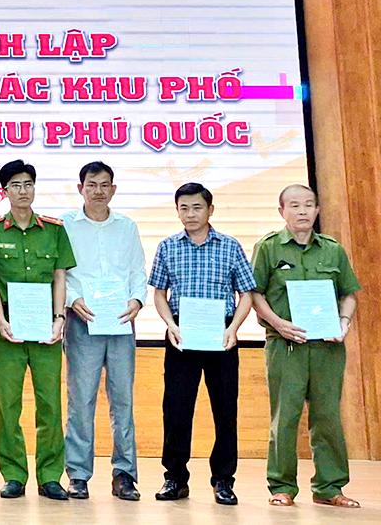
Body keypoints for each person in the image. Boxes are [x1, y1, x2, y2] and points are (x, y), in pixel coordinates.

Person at [251, 185, 361, 508]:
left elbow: (349, 294)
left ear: (317, 210)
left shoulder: (332, 249)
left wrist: (344, 323)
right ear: (282, 211)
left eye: (309, 205)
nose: (302, 211)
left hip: (327, 347)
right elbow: (254, 294)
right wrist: (278, 323)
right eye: (295, 205)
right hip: (285, 345)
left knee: (327, 417)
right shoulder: (268, 248)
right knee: (285, 417)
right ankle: (282, 486)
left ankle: (330, 487)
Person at [150, 182, 255, 506]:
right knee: (176, 409)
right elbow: (159, 293)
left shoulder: (230, 246)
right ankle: (175, 478)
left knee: (225, 410)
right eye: (184, 208)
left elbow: (246, 294)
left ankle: (223, 480)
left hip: (222, 335)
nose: (190, 214)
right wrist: (170, 325)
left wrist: (234, 329)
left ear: (210, 209)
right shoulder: (168, 246)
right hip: (181, 334)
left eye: (197, 207)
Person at [0, 160, 76, 501]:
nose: (23, 191)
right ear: (4, 191)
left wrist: (59, 318)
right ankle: (13, 475)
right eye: (16, 185)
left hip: (47, 330)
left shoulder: (54, 229)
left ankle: (50, 476)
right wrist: (0, 317)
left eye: (28, 184)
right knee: (8, 405)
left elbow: (60, 276)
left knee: (50, 405)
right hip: (8, 331)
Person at [61, 162, 145, 501]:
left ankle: (124, 474)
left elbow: (137, 270)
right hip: (82, 321)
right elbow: (60, 272)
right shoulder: (65, 225)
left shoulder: (127, 226)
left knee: (122, 400)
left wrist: (137, 299)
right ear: (80, 188)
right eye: (92, 184)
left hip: (121, 322)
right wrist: (72, 299)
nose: (98, 191)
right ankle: (78, 474)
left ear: (113, 189)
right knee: (81, 400)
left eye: (104, 185)